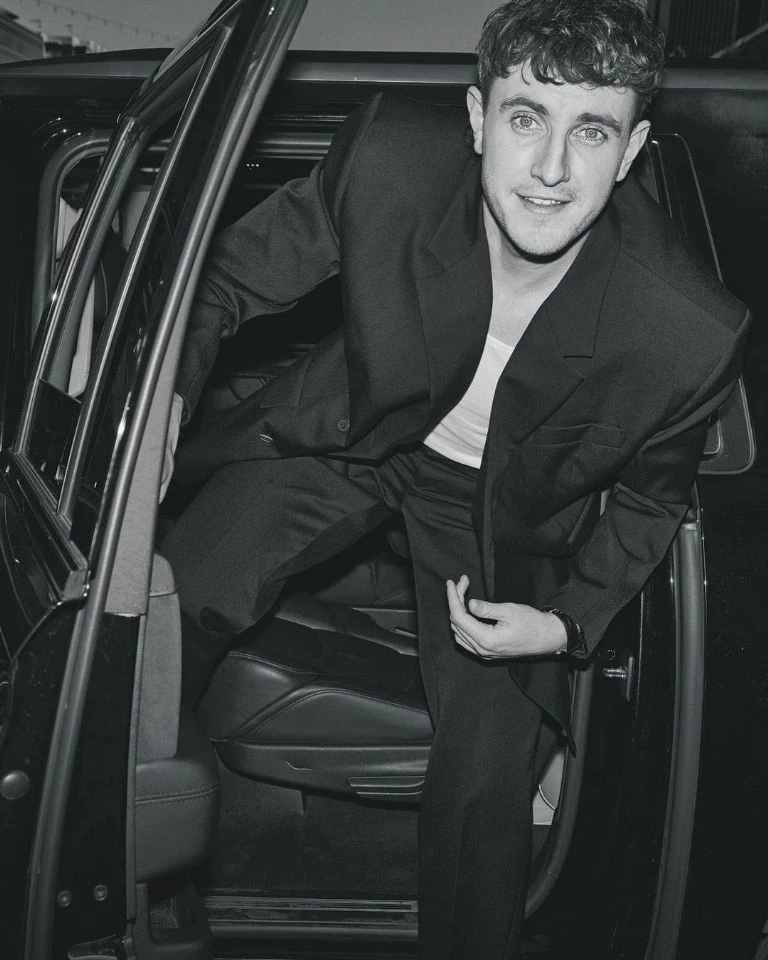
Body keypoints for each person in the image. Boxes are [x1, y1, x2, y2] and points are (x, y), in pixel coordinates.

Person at [160, 1, 749, 956]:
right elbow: (224, 280)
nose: (551, 169)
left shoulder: (685, 330)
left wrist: (565, 624)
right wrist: (165, 404)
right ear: (477, 119)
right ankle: (116, 845)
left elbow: (651, 497)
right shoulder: (389, 163)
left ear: (632, 151)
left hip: (495, 514)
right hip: (360, 434)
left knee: (485, 778)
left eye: (591, 131)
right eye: (526, 118)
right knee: (178, 589)